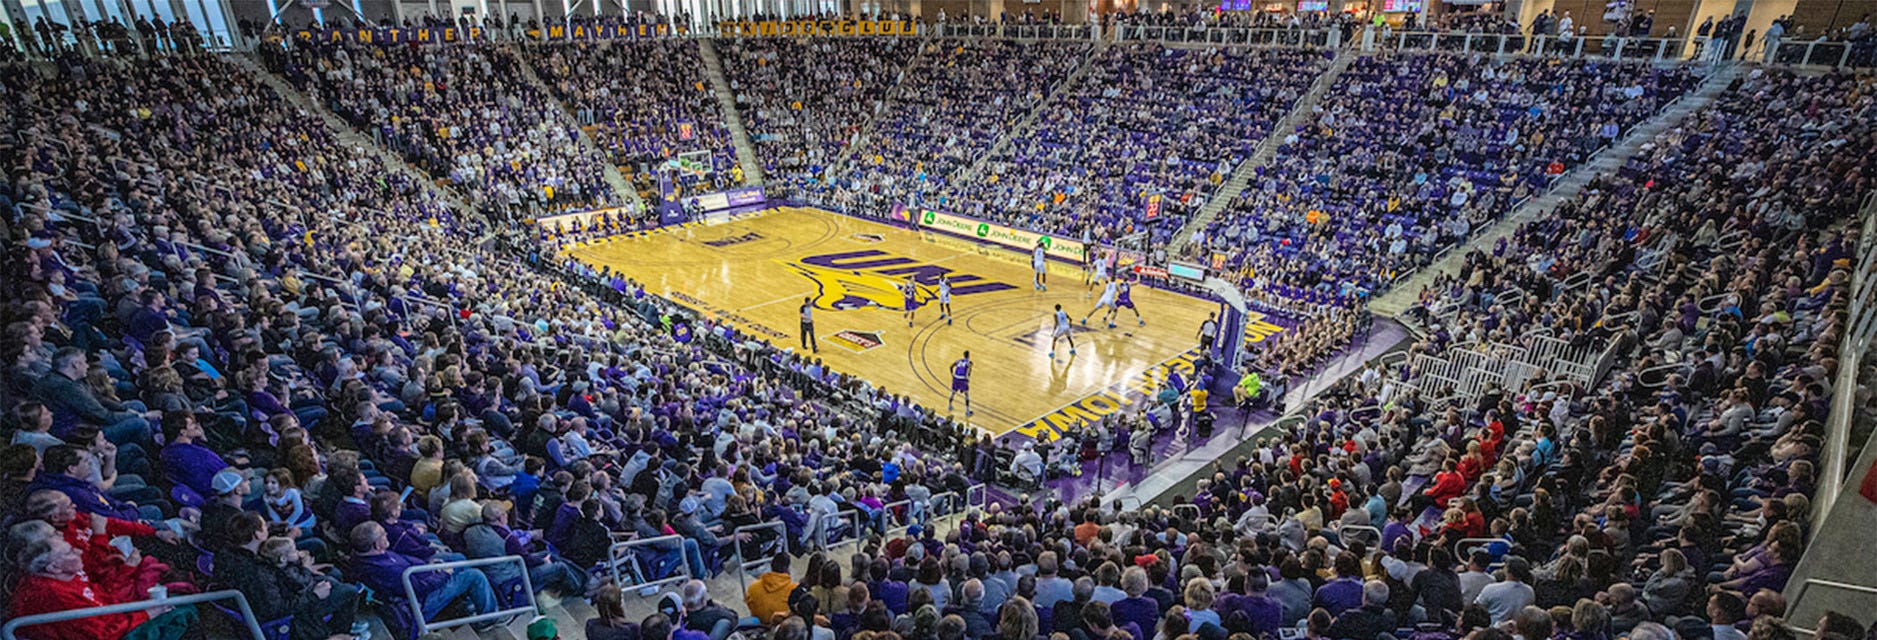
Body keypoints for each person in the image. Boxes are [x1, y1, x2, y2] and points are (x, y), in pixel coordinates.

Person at [348, 521, 498, 625]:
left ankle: (466, 602)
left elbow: (405, 560)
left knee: (458, 558)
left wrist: (428, 565)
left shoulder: (369, 555)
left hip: (421, 576)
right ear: (376, 544)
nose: (387, 534)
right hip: (421, 601)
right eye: (383, 534)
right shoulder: (385, 570)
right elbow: (419, 589)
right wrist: (444, 574)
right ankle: (489, 619)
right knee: (474, 576)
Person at [747, 553, 798, 626]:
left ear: (771, 566)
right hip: (780, 627)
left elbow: (749, 605)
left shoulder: (753, 587)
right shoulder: (794, 590)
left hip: (759, 624)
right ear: (787, 569)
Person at [949, 351, 973, 417]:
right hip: (962, 379)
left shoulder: (959, 361)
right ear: (968, 355)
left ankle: (950, 406)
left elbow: (951, 366)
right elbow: (969, 371)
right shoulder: (968, 362)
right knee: (966, 395)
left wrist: (952, 375)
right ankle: (967, 411)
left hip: (956, 378)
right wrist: (968, 377)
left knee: (953, 392)